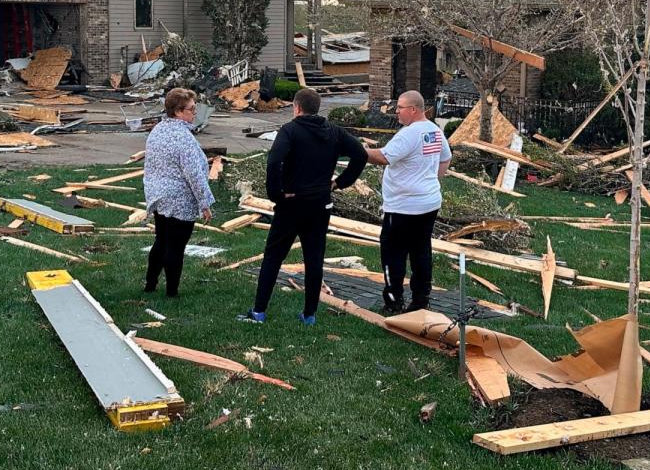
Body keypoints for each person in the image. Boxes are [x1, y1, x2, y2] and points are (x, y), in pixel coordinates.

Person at [240, 87, 367, 325]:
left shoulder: (290, 130)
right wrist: (340, 183)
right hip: (320, 204)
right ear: (317, 108)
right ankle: (309, 314)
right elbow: (360, 154)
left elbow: (274, 160)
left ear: (296, 107)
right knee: (314, 258)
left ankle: (259, 311)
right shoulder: (333, 131)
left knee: (274, 256)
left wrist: (275, 194)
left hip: (292, 203)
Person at [365, 90, 451, 313]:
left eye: (400, 107)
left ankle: (394, 301)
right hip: (428, 203)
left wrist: (356, 150)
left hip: (403, 206)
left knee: (393, 253)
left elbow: (383, 157)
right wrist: (430, 179)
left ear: (413, 109)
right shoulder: (434, 131)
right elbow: (446, 158)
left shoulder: (409, 134)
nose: (396, 112)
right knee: (421, 250)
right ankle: (421, 299)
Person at [143, 87, 215, 297]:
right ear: (178, 112)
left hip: (159, 195)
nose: (195, 112)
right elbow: (194, 174)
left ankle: (150, 283)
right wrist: (204, 203)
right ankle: (172, 291)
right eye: (191, 109)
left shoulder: (158, 130)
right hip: (179, 198)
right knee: (176, 246)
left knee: (161, 240)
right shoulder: (183, 138)